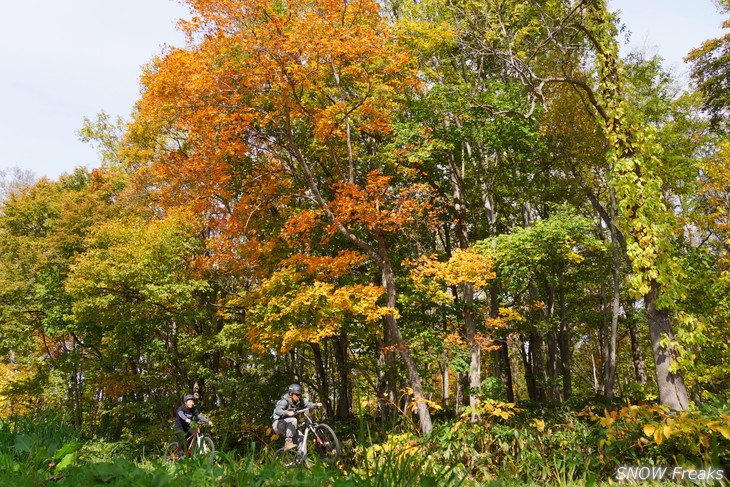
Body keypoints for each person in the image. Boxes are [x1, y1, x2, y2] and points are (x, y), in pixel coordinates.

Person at [272, 383, 322, 450]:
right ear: (291, 394)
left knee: (302, 439)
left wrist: (316, 404)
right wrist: (287, 413)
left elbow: (307, 404)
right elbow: (278, 411)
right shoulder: (284, 401)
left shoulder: (299, 401)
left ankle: (302, 459)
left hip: (290, 426)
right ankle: (288, 442)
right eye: (296, 395)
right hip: (278, 424)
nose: (298, 397)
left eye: (299, 395)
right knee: (293, 420)